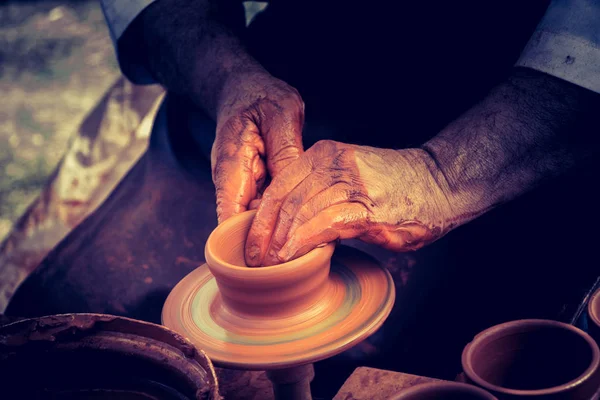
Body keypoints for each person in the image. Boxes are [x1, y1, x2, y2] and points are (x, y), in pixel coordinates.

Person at [6, 0, 600, 395]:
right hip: (274, 73)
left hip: (520, 111)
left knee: (445, 363)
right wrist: (224, 77)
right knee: (68, 322)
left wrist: (439, 176)